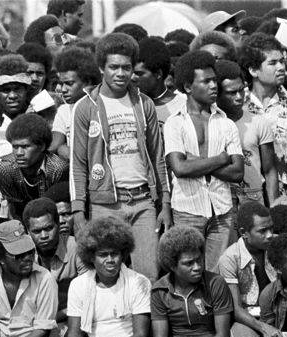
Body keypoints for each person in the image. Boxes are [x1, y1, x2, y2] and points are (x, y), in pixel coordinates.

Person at [70, 32, 171, 280]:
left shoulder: (143, 103)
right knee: (106, 276)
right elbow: (78, 164)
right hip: (104, 205)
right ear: (101, 68)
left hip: (142, 202)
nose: (120, 73)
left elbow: (157, 156)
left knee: (149, 275)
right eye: (113, 67)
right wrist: (78, 213)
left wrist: (165, 202)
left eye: (127, 68)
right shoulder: (84, 108)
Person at [164, 50, 244, 271]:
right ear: (189, 87)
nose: (213, 86)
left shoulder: (225, 123)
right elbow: (179, 168)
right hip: (187, 210)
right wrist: (220, 159)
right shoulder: (175, 123)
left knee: (219, 275)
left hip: (222, 209)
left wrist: (197, 163)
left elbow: (237, 172)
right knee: (189, 272)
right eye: (206, 81)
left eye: (214, 80)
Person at [214, 200, 278, 337]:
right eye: (262, 231)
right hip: (246, 317)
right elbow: (235, 309)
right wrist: (264, 329)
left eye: (271, 228)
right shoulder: (229, 258)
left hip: (276, 312)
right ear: (244, 233)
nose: (270, 235)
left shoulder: (277, 246)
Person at [242, 35, 287, 196]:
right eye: (272, 63)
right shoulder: (238, 104)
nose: (281, 67)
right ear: (253, 70)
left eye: (282, 61)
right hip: (249, 193)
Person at [214, 59, 278, 206]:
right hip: (222, 198)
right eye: (231, 93)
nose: (239, 97)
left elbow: (269, 170)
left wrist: (274, 206)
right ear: (217, 93)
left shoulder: (258, 122)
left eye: (241, 90)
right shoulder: (211, 124)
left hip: (253, 197)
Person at [0, 113, 68, 220]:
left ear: (42, 146)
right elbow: (13, 209)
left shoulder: (58, 168)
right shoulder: (5, 169)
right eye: (15, 147)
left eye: (25, 146)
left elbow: (58, 210)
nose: (19, 153)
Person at [23, 197, 82, 321]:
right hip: (36, 323)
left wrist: (50, 319)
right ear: (28, 232)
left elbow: (89, 295)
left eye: (49, 228)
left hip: (72, 318)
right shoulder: (22, 254)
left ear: (58, 225)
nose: (44, 236)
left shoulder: (76, 248)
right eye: (37, 231)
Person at [50, 48, 101, 158]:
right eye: (62, 83)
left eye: (69, 83)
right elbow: (54, 146)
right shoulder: (64, 111)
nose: (63, 89)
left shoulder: (103, 107)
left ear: (88, 82)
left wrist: (65, 150)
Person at [134, 38, 186, 128]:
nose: (132, 78)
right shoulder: (128, 106)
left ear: (158, 74)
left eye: (139, 74)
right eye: (131, 72)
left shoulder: (182, 108)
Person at [0, 55, 33, 121]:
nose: (12, 96)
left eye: (17, 89)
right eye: (6, 90)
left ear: (26, 90)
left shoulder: (38, 114)